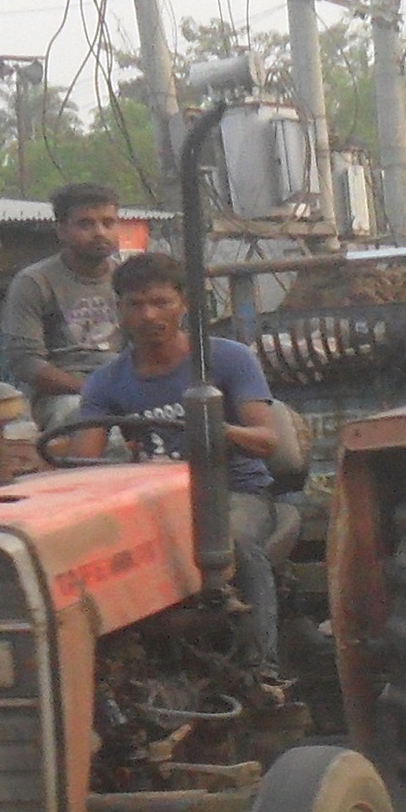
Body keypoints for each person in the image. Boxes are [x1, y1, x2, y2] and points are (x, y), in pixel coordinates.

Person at [69, 252, 286, 682]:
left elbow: (267, 440)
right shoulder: (107, 382)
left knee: (235, 540)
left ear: (183, 303)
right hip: (155, 504)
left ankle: (263, 668)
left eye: (160, 302)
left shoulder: (227, 359)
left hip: (234, 492)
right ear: (120, 310)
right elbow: (81, 460)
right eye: (135, 304)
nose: (149, 315)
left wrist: (215, 427)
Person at [0, 182, 125, 429]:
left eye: (108, 222)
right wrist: (93, 390)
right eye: (85, 224)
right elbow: (25, 362)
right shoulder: (34, 282)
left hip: (124, 385)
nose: (100, 232)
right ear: (62, 231)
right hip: (63, 397)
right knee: (85, 418)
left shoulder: (127, 279)